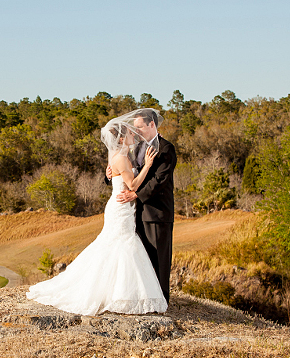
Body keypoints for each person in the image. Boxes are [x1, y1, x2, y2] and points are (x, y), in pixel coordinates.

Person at [25, 115, 168, 316]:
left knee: (117, 246)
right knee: (122, 245)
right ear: (121, 139)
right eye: (130, 132)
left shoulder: (123, 155)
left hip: (125, 207)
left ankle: (119, 292)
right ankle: (116, 293)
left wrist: (115, 173)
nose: (134, 134)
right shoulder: (121, 158)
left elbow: (119, 176)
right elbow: (133, 185)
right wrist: (148, 165)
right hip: (121, 208)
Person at [110, 108, 177, 303]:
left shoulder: (166, 148)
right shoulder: (137, 147)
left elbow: (160, 179)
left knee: (159, 258)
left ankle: (162, 300)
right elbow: (126, 173)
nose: (136, 131)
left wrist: (136, 194)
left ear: (152, 124)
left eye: (139, 127)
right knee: (142, 258)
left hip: (157, 212)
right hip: (135, 212)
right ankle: (146, 296)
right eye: (134, 128)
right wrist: (109, 175)